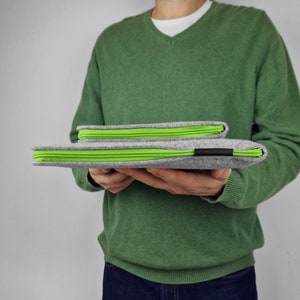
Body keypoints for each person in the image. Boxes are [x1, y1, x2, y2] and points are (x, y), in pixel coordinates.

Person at [70, 0, 300, 299]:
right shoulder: (111, 42)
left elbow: (288, 141)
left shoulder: (253, 30)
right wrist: (92, 172)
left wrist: (230, 184)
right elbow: (81, 141)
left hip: (224, 278)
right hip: (124, 276)